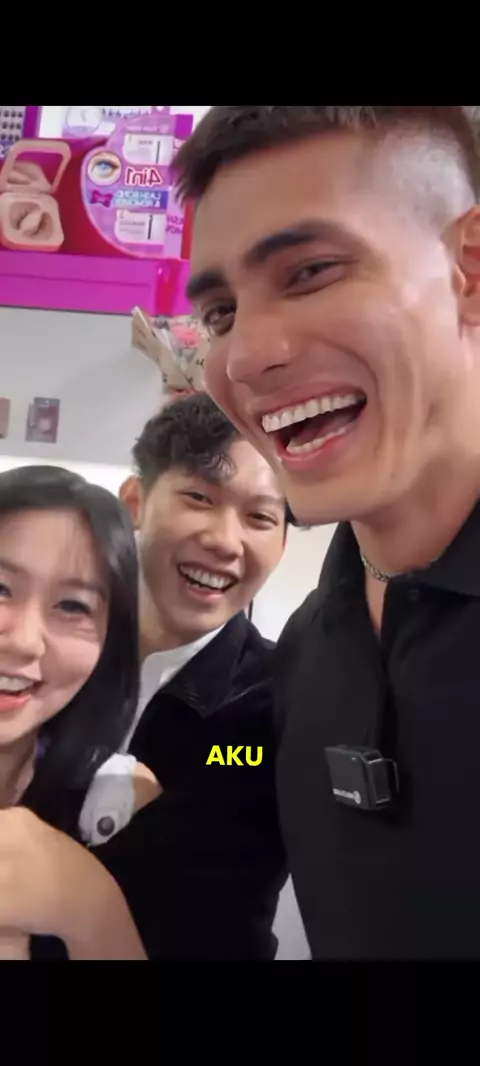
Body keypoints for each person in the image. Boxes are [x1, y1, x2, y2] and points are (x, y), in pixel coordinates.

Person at [174, 105, 480, 960]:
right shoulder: (310, 646)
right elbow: (235, 769)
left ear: (470, 268)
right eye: (221, 314)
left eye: (310, 271)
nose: (244, 359)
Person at [95, 393, 290, 959]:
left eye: (260, 517)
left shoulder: (282, 702)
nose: (225, 541)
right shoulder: (49, 660)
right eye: (199, 497)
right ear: (134, 502)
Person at [0, 464, 156, 960]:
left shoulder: (116, 813)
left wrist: (88, 904)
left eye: (73, 607)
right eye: (0, 589)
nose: (25, 641)